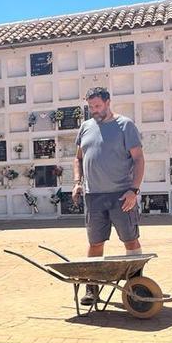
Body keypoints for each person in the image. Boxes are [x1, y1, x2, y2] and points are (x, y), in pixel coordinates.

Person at [71, 87, 145, 306]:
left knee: (130, 240)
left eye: (97, 106)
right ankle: (92, 289)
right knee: (95, 243)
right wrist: (77, 182)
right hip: (94, 196)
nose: (94, 110)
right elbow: (78, 158)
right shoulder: (85, 127)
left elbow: (139, 159)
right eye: (90, 106)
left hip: (122, 195)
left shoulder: (125, 125)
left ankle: (137, 287)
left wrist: (134, 190)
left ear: (108, 102)